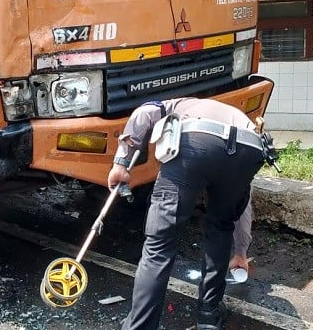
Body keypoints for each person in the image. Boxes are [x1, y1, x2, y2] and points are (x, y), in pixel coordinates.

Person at [108, 98, 267, 330]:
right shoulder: (236, 115)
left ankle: (139, 327)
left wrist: (121, 162)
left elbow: (143, 113)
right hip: (250, 148)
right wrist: (241, 251)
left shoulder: (173, 105)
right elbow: (242, 206)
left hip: (196, 139)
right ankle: (208, 316)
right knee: (221, 226)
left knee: (159, 246)